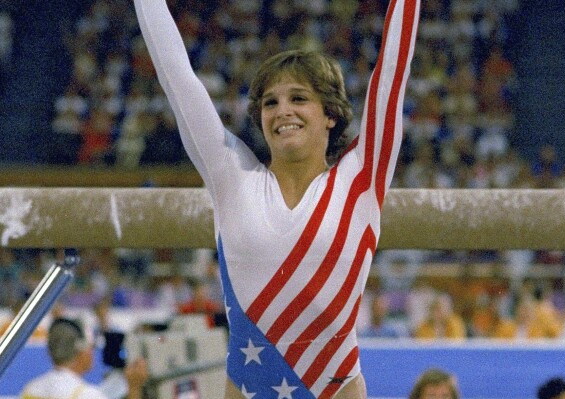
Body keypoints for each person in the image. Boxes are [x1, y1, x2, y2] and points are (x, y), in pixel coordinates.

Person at [132, 0, 420, 397]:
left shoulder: (361, 180)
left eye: (299, 98)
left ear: (330, 114)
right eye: (271, 102)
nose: (283, 110)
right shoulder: (231, 178)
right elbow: (176, 76)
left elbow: (393, 70)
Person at [19, 317, 148, 399]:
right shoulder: (86, 395)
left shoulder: (31, 389)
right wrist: (134, 388)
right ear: (82, 351)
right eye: (91, 347)